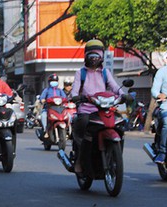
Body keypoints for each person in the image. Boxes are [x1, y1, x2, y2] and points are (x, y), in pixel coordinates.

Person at [70, 39, 126, 174]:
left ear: (102, 56)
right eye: (91, 54)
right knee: (83, 126)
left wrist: (123, 95)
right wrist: (76, 97)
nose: (94, 58)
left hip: (103, 109)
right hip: (86, 109)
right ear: (86, 56)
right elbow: (74, 91)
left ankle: (114, 156)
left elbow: (115, 87)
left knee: (120, 124)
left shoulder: (105, 72)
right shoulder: (81, 73)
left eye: (97, 54)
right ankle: (79, 161)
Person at [39, 74, 66, 138]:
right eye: (52, 80)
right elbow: (42, 97)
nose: (54, 82)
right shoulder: (47, 90)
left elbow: (64, 97)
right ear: (49, 82)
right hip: (48, 108)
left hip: (59, 109)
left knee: (68, 115)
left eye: (55, 80)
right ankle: (46, 130)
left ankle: (68, 130)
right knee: (43, 115)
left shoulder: (60, 90)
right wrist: (43, 100)